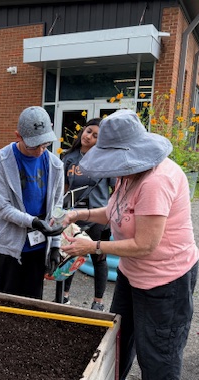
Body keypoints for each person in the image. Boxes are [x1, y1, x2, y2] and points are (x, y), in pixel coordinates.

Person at [60, 109, 199, 380]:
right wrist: (80, 212)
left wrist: (91, 246)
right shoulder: (129, 173)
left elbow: (146, 244)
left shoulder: (157, 180)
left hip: (167, 276)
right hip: (132, 272)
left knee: (161, 344)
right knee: (122, 330)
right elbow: (113, 212)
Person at [0, 106, 64, 299]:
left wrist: (55, 246)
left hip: (38, 247)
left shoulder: (55, 165)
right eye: (33, 145)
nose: (39, 151)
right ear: (18, 136)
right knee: (6, 305)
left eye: (44, 144)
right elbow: (4, 208)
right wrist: (35, 222)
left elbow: (57, 207)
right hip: (8, 247)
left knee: (33, 306)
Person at [60, 117, 115, 310]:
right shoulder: (69, 157)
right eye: (88, 131)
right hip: (73, 216)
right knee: (70, 256)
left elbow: (115, 190)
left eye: (96, 135)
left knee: (99, 258)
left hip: (97, 218)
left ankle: (98, 302)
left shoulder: (106, 160)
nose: (89, 136)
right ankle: (64, 296)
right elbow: (63, 189)